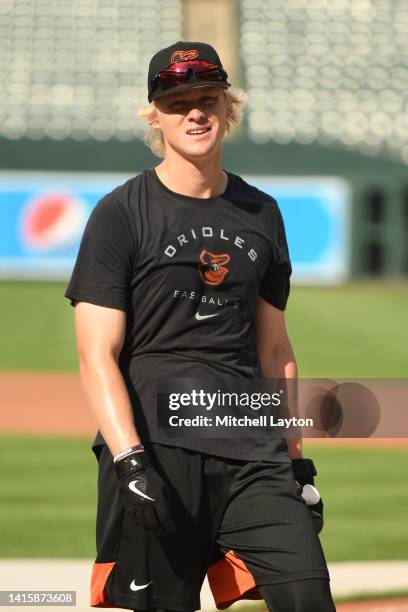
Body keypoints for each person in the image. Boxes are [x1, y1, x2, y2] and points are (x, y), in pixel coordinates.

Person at [65, 41, 336, 612]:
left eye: (208, 99)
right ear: (154, 116)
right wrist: (129, 462)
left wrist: (296, 460)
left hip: (253, 453)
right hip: (157, 454)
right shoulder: (122, 212)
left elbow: (275, 349)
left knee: (309, 597)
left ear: (228, 109)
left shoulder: (262, 212)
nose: (195, 112)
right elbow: (97, 355)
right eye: (178, 101)